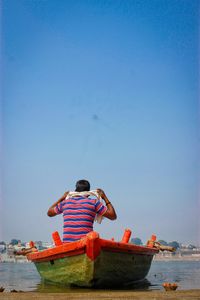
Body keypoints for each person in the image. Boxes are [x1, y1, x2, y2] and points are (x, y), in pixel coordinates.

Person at [47, 179, 117, 242]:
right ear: (88, 193)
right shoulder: (94, 203)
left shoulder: (65, 203)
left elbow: (49, 213)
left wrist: (62, 198)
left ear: (75, 190)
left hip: (67, 244)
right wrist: (104, 197)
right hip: (87, 242)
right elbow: (113, 216)